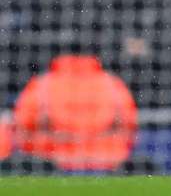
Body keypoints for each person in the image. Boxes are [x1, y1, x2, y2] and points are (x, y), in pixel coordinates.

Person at [6, 53, 138, 172]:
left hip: (51, 165)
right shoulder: (113, 85)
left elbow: (21, 131)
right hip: (107, 164)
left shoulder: (41, 85)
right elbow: (130, 129)